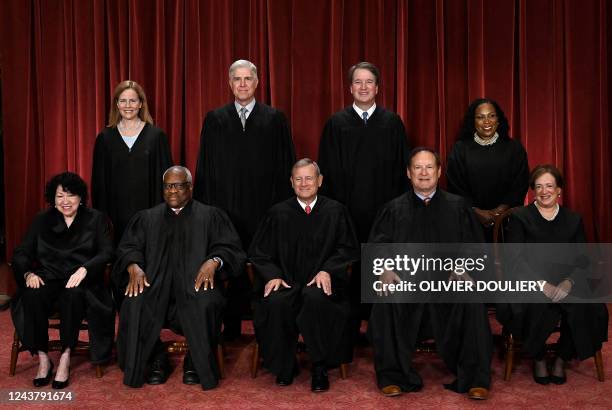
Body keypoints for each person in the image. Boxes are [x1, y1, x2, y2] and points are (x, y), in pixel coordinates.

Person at [367, 148, 492, 400]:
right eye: (418, 168)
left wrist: (462, 267)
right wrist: (386, 269)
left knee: (472, 298)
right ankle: (393, 376)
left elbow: (474, 246)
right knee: (385, 298)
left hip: (448, 282)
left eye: (429, 167)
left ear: (438, 171)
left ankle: (474, 378)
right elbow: (378, 245)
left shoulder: (458, 207)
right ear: (408, 173)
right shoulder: (393, 209)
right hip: (407, 282)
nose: (423, 173)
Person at [113, 166, 246, 390]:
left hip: (195, 285)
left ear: (190, 187)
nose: (172, 191)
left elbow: (231, 248)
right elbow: (128, 247)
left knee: (207, 301)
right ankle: (156, 358)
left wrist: (214, 261)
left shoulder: (210, 216)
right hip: (155, 285)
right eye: (168, 186)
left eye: (179, 186)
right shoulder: (147, 218)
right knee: (134, 302)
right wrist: (133, 265)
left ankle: (196, 360)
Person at [194, 59, 296, 339]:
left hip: (263, 207)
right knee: (228, 261)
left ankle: (265, 327)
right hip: (224, 208)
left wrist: (282, 209)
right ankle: (230, 325)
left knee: (262, 263)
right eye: (236, 79)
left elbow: (285, 165)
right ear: (229, 83)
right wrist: (206, 210)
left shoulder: (274, 119)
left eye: (247, 79)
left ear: (256, 82)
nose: (242, 84)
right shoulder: (215, 119)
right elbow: (204, 167)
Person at [249, 158, 359, 392]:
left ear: (320, 181)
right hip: (287, 281)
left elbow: (348, 249)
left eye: (309, 178)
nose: (304, 183)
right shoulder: (277, 213)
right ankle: (284, 366)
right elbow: (259, 253)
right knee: (277, 302)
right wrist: (273, 275)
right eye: (298, 179)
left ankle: (319, 366)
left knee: (315, 298)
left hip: (321, 283)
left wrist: (328, 270)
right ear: (291, 182)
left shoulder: (335, 211)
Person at [318, 61, 410, 338]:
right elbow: (328, 170)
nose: (363, 87)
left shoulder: (392, 123)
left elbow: (401, 169)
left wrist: (398, 209)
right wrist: (334, 210)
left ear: (378, 88)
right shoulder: (336, 124)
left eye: (369, 82)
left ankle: (379, 325)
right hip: (347, 209)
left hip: (384, 209)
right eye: (358, 82)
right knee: (348, 263)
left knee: (381, 262)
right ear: (350, 88)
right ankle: (348, 324)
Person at [502, 164, 608, 385]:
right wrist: (542, 285)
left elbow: (582, 260)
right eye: (538, 187)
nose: (544, 191)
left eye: (549, 186)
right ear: (532, 190)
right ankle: (539, 356)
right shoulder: (520, 217)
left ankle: (562, 356)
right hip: (530, 280)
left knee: (588, 305)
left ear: (559, 189)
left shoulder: (573, 219)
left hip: (567, 280)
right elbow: (515, 260)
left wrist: (568, 283)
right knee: (533, 302)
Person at [11, 172, 114, 389]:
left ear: (80, 197)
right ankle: (43, 358)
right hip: (49, 277)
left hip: (81, 280)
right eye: (59, 196)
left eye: (70, 196)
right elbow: (22, 252)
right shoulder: (42, 220)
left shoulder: (95, 218)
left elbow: (107, 252)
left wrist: (86, 269)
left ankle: (66, 356)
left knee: (73, 295)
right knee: (32, 295)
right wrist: (29, 273)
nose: (65, 202)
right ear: (53, 198)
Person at [91, 80, 173, 244]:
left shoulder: (156, 137)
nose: (128, 105)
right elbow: (99, 183)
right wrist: (104, 220)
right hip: (116, 217)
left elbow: (167, 180)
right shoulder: (105, 138)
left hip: (150, 215)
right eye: (123, 100)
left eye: (133, 100)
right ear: (116, 104)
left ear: (141, 104)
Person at [446, 98, 529, 238]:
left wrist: (500, 211)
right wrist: (476, 212)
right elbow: (455, 185)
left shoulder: (514, 148)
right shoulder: (460, 149)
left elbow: (520, 182)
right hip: (470, 222)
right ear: (473, 121)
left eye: (491, 116)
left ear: (498, 119)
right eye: (480, 117)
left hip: (506, 223)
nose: (487, 121)